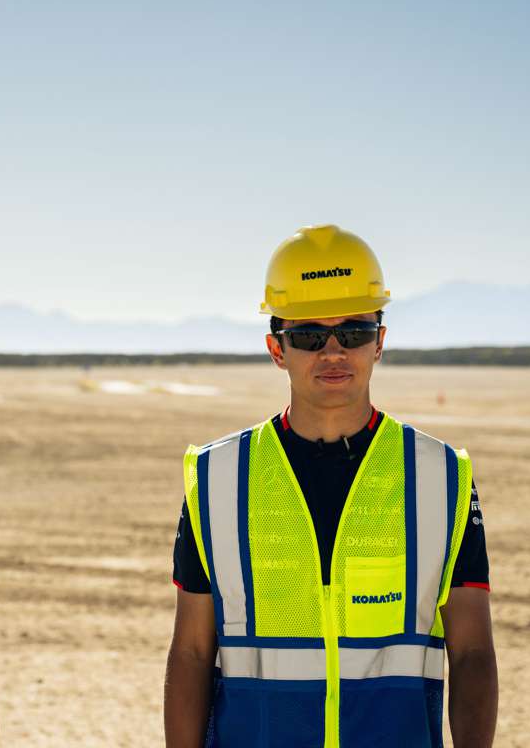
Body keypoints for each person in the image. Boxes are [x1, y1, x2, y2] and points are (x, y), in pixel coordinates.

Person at [163, 226, 497, 748]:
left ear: (380, 341)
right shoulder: (215, 480)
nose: (334, 350)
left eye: (355, 331)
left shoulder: (441, 477)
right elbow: (190, 653)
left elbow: (473, 651)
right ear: (277, 348)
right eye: (310, 335)